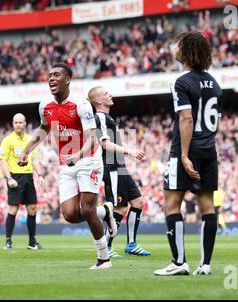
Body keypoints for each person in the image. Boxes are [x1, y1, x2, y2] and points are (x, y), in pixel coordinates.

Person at [18, 62, 117, 270]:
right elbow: (44, 129)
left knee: (87, 208)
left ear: (67, 80)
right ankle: (106, 212)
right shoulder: (45, 105)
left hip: (88, 158)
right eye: (49, 75)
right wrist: (27, 150)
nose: (51, 78)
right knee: (70, 214)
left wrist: (78, 155)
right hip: (67, 162)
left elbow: (92, 137)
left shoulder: (81, 104)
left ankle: (104, 258)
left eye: (56, 75)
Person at [154, 31, 223, 276]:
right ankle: (205, 265)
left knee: (172, 204)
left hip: (185, 149)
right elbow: (216, 122)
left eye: (178, 44)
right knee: (207, 206)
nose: (175, 47)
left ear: (186, 50)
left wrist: (184, 155)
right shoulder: (215, 83)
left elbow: (186, 118)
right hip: (208, 149)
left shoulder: (181, 81)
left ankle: (179, 262)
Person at [88, 86, 151, 257]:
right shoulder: (100, 117)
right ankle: (106, 247)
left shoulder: (107, 117)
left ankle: (131, 244)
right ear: (99, 100)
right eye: (106, 93)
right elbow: (105, 144)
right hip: (111, 168)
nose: (111, 94)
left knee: (138, 202)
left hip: (119, 167)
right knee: (119, 208)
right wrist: (129, 151)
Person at [0, 113, 45, 250]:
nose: (18, 124)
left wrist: (40, 175)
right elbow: (2, 160)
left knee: (32, 209)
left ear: (25, 123)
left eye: (20, 122)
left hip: (28, 177)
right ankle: (8, 241)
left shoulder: (31, 140)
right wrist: (9, 178)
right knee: (13, 209)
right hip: (15, 177)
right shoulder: (7, 140)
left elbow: (34, 159)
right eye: (16, 122)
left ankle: (32, 242)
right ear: (13, 124)